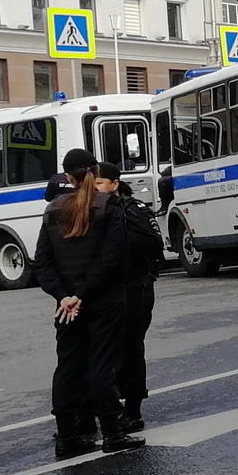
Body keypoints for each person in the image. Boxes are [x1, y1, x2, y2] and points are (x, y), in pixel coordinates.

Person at [32, 164, 131, 457]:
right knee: (102, 364)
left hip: (66, 307)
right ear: (94, 171)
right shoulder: (108, 205)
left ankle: (66, 436)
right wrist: (82, 294)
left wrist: (64, 296)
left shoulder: (53, 209)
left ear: (67, 177)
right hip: (103, 298)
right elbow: (113, 257)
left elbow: (42, 263)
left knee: (68, 366)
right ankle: (113, 433)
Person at [102, 165, 165, 436]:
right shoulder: (102, 209)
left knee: (131, 347)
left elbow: (153, 242)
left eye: (99, 184)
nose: (94, 189)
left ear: (114, 184)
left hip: (135, 285)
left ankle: (133, 409)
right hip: (113, 287)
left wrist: (118, 248)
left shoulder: (130, 208)